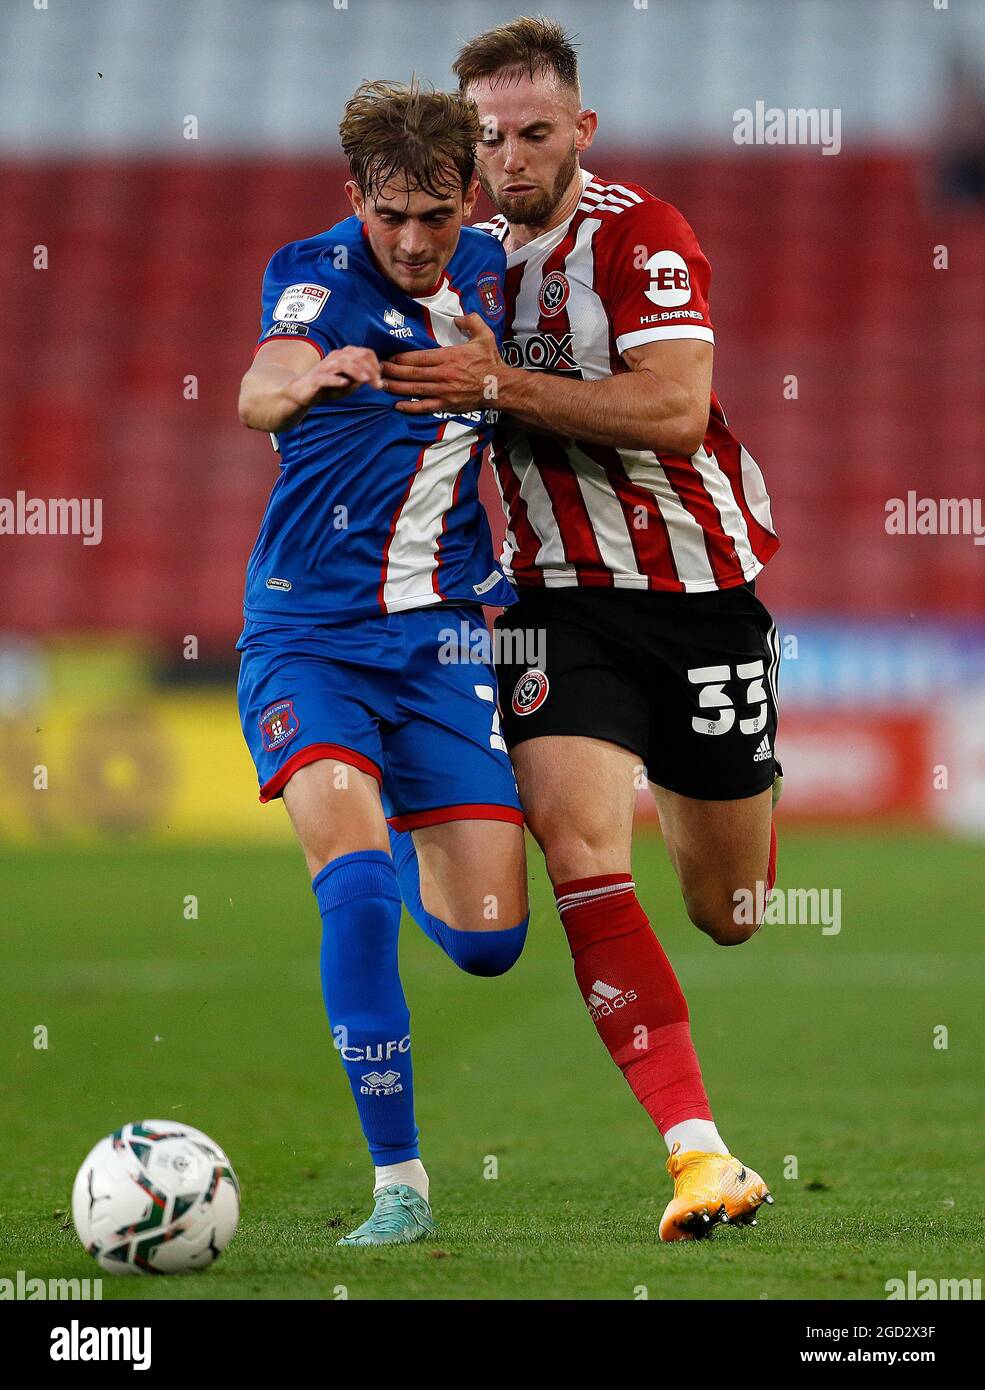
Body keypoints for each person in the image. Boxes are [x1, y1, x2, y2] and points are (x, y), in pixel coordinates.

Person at [381, 18, 779, 1240]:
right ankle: (698, 1154)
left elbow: (673, 408)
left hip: (703, 597)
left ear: (581, 130)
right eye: (487, 136)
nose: (507, 158)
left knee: (730, 912)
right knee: (581, 859)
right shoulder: (456, 258)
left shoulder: (638, 233)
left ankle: (743, 784)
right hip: (555, 605)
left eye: (533, 132)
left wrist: (496, 384)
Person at [236, 79, 528, 1247]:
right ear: (356, 198)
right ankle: (398, 1184)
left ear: (468, 199)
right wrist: (297, 384)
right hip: (308, 634)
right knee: (351, 890)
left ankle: (407, 821)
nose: (411, 243)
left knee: (490, 940)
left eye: (434, 218)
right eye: (389, 215)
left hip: (444, 638)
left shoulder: (495, 278)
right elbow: (266, 374)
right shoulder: (315, 274)